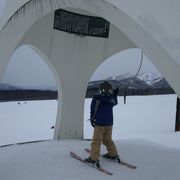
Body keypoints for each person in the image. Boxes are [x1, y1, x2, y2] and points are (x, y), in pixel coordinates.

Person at [85, 81, 119, 167]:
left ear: (101, 89)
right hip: (109, 123)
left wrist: (92, 119)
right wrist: (115, 95)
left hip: (99, 123)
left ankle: (93, 159)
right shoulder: (112, 98)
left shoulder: (97, 98)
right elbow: (115, 103)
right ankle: (113, 154)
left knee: (96, 141)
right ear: (110, 90)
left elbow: (93, 109)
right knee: (107, 139)